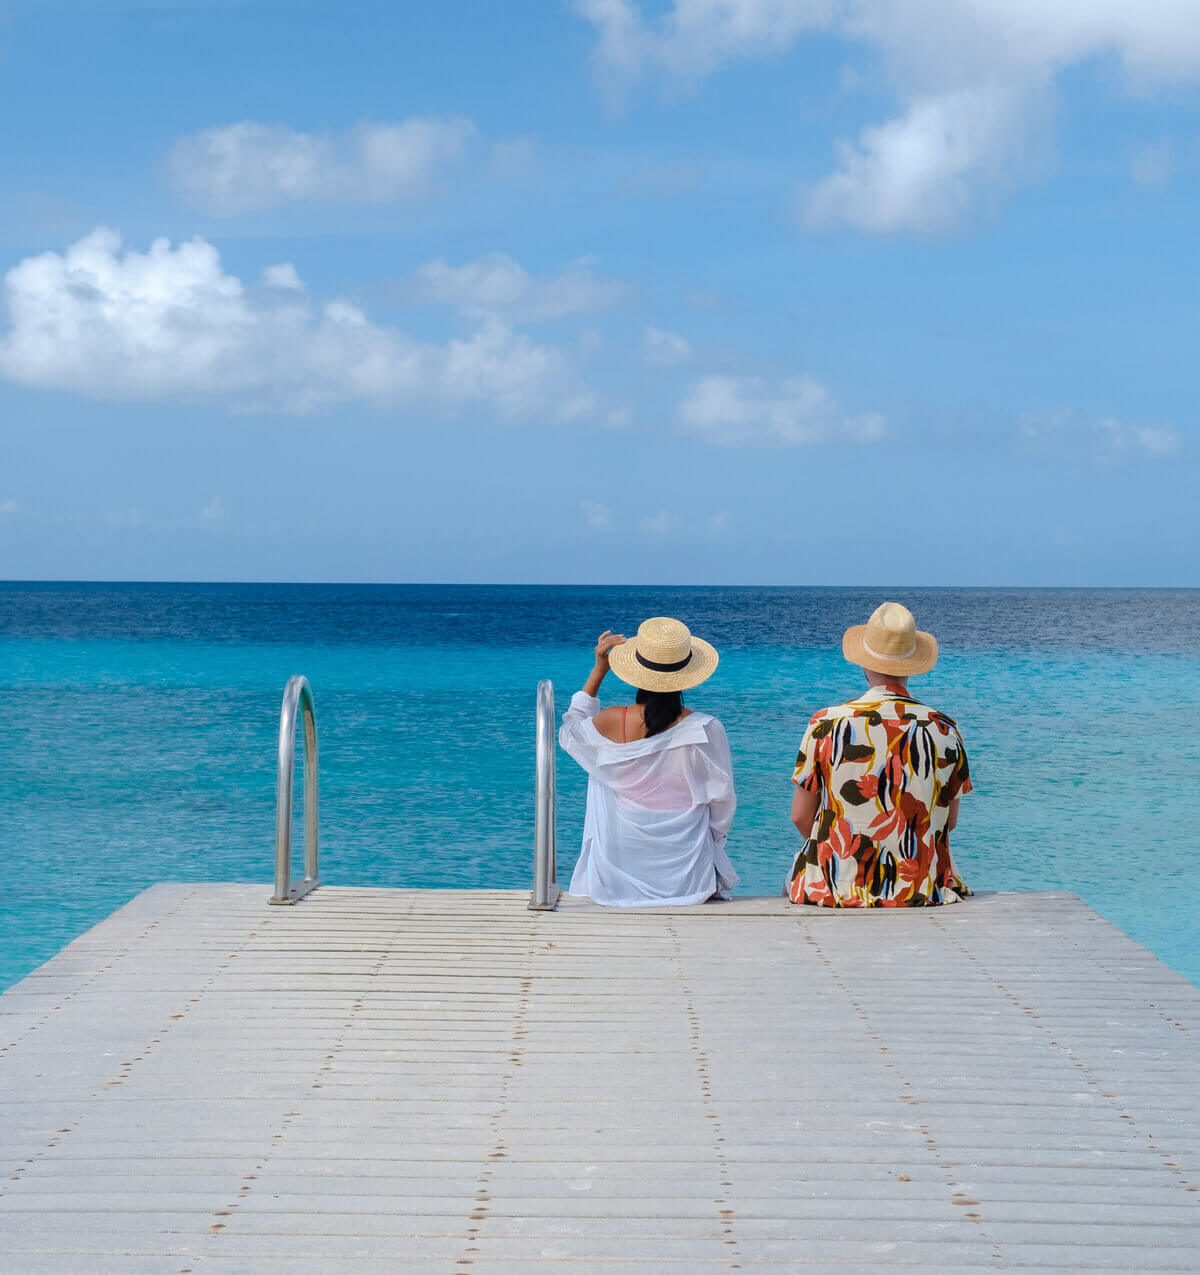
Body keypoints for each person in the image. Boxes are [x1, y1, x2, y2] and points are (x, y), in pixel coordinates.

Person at [788, 601, 972, 907]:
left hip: (835, 888)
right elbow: (948, 821)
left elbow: (800, 816)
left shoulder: (825, 723)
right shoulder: (944, 729)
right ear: (914, 664)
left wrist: (846, 860)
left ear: (864, 662)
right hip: (919, 890)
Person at [559, 616, 738, 907]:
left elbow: (570, 731)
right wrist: (714, 846)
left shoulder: (611, 720)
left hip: (618, 870)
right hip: (687, 876)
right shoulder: (706, 729)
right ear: (686, 673)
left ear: (635, 671)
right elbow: (722, 801)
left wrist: (599, 669)